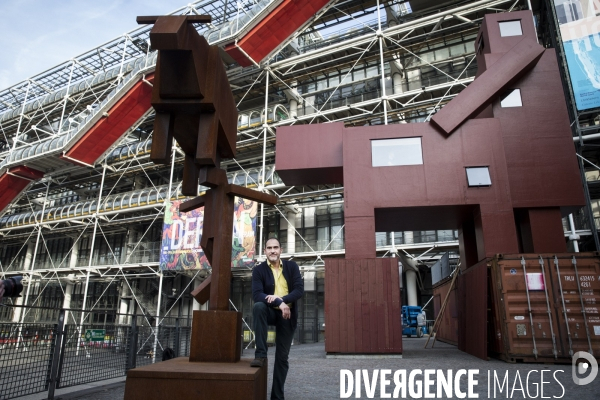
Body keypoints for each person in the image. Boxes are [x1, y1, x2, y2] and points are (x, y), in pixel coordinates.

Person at [251, 237, 304, 400]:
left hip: (287, 315)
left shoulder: (292, 267)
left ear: (281, 250)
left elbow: (299, 290)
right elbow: (257, 294)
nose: (272, 250)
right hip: (270, 311)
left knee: (282, 359)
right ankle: (260, 354)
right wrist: (279, 302)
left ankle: (277, 397)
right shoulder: (259, 270)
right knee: (258, 306)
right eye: (269, 248)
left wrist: (284, 302)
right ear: (265, 251)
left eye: (275, 247)